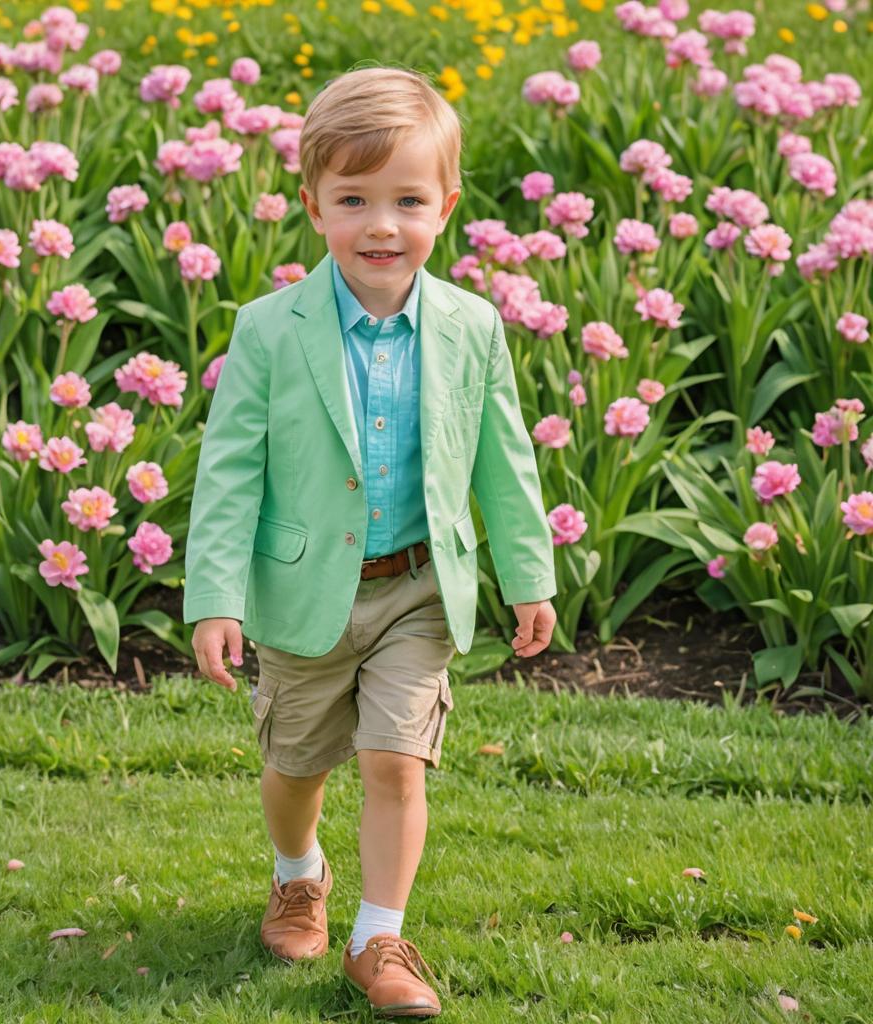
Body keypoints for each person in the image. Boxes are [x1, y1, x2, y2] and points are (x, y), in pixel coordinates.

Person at [183, 64, 557, 1019]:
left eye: (407, 200)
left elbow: (502, 462)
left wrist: (527, 576)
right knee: (296, 762)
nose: (381, 225)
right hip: (303, 591)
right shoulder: (270, 331)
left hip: (418, 588)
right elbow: (230, 473)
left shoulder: (473, 328)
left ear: (447, 206)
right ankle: (297, 872)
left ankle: (377, 936)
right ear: (312, 204)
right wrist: (216, 598)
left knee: (397, 760)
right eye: (353, 199)